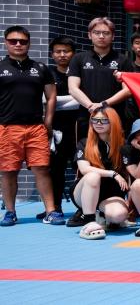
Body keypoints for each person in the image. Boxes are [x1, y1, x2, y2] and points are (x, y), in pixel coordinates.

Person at [0, 26, 59, 227]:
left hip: (36, 128)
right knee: (8, 171)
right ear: (6, 42)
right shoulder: (1, 67)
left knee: (42, 169)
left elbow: (51, 97)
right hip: (7, 128)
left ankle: (51, 211)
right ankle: (10, 212)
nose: (18, 44)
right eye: (13, 41)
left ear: (29, 43)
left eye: (23, 41)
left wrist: (48, 122)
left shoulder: (41, 68)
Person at [71, 107, 129, 240]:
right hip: (84, 191)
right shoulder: (84, 143)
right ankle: (89, 222)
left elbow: (130, 174)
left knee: (118, 216)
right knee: (93, 176)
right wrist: (112, 173)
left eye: (104, 120)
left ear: (113, 122)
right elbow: (84, 169)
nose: (98, 123)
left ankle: (101, 215)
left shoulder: (123, 144)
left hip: (110, 194)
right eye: (95, 120)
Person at [68, 17, 131, 136]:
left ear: (113, 36)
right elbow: (73, 88)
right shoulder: (79, 58)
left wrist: (103, 104)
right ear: (89, 35)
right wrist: (91, 106)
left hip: (115, 116)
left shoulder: (123, 60)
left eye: (106, 33)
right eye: (97, 33)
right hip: (87, 116)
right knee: (86, 147)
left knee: (115, 147)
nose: (101, 36)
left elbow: (127, 90)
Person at [40, 36, 78, 221]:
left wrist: (53, 102)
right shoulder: (48, 74)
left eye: (66, 51)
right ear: (52, 54)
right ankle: (55, 208)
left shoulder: (79, 72)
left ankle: (83, 208)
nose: (62, 55)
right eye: (58, 51)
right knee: (55, 171)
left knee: (80, 169)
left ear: (73, 53)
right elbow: (44, 100)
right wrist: (75, 99)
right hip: (55, 131)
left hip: (79, 129)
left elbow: (83, 100)